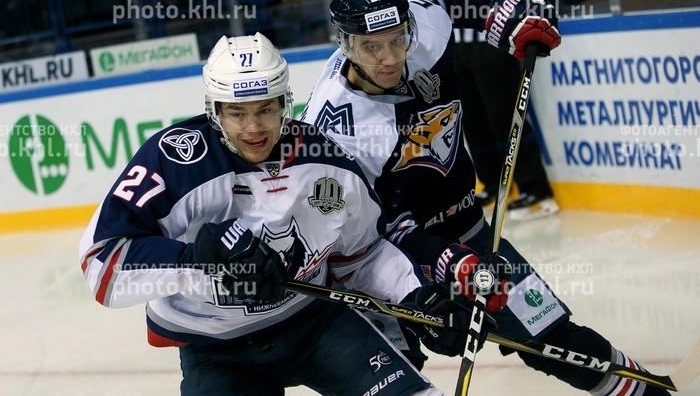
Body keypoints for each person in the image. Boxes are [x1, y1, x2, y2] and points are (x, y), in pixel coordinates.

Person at [301, 0, 670, 395]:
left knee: (553, 338)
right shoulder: (336, 130)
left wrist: (507, 16)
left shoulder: (426, 21)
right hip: (395, 263)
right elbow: (366, 236)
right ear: (345, 44)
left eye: (398, 38)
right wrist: (445, 262)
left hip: (470, 230)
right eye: (371, 47)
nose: (389, 57)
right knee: (394, 374)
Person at [79, 32, 476, 396]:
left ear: (285, 103)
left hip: (316, 324)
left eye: (266, 110)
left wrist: (415, 298)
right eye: (237, 113)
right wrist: (193, 261)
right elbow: (102, 266)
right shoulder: (174, 160)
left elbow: (363, 254)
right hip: (217, 350)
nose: (253, 128)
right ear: (214, 109)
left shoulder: (325, 159)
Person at [449, 0, 560, 221]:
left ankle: (537, 190)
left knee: (508, 120)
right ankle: (494, 185)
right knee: (475, 124)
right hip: (463, 53)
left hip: (493, 50)